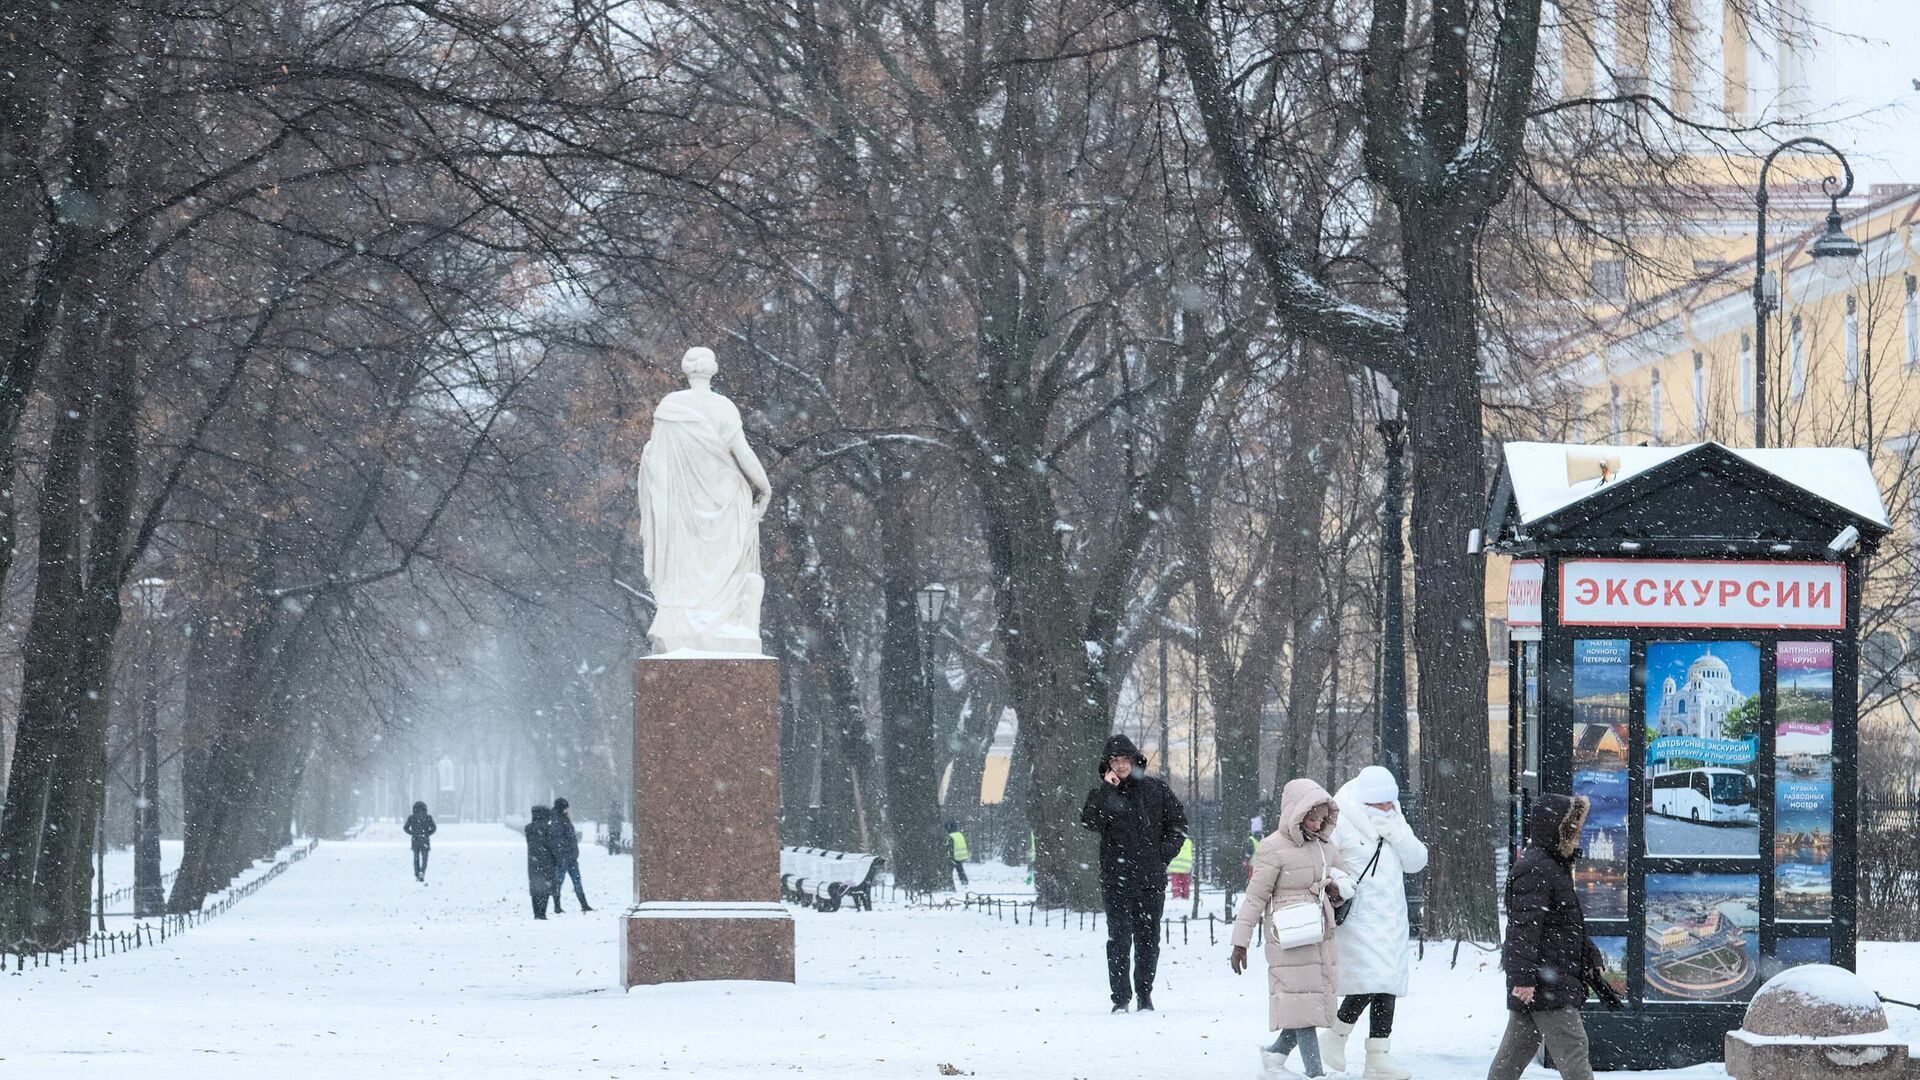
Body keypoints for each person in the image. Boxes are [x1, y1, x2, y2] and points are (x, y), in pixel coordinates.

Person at [1231, 778, 1353, 1080]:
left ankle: (1275, 1055)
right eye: (1311, 818)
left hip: (1318, 934)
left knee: (1306, 1003)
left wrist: (1337, 891)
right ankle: (1316, 1074)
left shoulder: (1325, 847)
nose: (1316, 824)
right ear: (1295, 813)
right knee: (1301, 1004)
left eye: (1321, 819)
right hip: (1287, 936)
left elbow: (1344, 875)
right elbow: (1255, 897)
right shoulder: (1273, 848)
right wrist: (1240, 942)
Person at [1486, 793, 1603, 1080]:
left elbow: (1563, 925)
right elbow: (1522, 930)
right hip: (1546, 980)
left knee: (1514, 1055)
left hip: (1546, 977)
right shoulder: (1538, 868)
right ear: (1558, 828)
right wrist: (1523, 979)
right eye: (1573, 826)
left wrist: (1589, 954)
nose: (1578, 833)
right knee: (1574, 1050)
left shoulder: (1551, 865)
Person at [1321, 765, 1428, 1080]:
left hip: (1392, 916)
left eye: (1390, 802)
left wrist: (1398, 833)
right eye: (1380, 803)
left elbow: (1417, 861)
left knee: (1387, 982)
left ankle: (1376, 1056)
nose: (1387, 807)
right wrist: (1340, 881)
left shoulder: (1394, 817)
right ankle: (1338, 1038)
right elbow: (1325, 860)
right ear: (1365, 801)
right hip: (1359, 915)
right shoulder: (1342, 818)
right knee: (1373, 978)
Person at [1079, 733, 1187, 1013]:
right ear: (1108, 764)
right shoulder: (1101, 794)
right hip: (1116, 880)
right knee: (1118, 938)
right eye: (1115, 760)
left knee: (1148, 939)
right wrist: (1107, 791)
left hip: (1150, 879)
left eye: (1125, 759)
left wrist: (1162, 855)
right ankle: (1120, 998)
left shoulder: (1156, 790)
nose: (1121, 765)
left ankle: (1144, 993)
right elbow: (1090, 821)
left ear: (1134, 760)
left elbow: (1178, 824)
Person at [549, 797, 591, 912]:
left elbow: (566, 837)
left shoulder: (562, 819)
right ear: (562, 808)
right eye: (567, 808)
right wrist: (565, 853)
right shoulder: (558, 820)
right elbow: (559, 839)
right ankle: (558, 906)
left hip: (569, 857)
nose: (568, 810)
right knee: (564, 881)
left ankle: (583, 904)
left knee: (571, 881)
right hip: (565, 858)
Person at [525, 805, 557, 920]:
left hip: (533, 862)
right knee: (545, 888)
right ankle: (542, 912)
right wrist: (555, 858)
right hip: (547, 861)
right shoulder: (548, 829)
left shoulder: (529, 828)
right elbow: (552, 846)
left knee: (535, 887)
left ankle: (536, 913)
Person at [403, 801, 437, 883]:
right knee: (425, 858)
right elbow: (434, 828)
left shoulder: (411, 818)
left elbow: (405, 828)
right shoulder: (428, 818)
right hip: (424, 840)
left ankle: (417, 874)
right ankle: (422, 871)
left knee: (416, 858)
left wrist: (412, 833)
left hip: (415, 840)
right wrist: (427, 834)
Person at [1167, 835, 1195, 899]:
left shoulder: (1173, 840)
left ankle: (1177, 896)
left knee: (1176, 883)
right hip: (1186, 866)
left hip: (1175, 866)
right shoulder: (1189, 842)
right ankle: (1186, 896)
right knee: (1186, 883)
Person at [946, 820, 970, 889]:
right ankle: (964, 881)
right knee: (960, 869)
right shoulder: (959, 834)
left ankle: (949, 884)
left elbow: (949, 847)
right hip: (960, 856)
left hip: (954, 856)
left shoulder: (950, 836)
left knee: (949, 871)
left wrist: (949, 855)